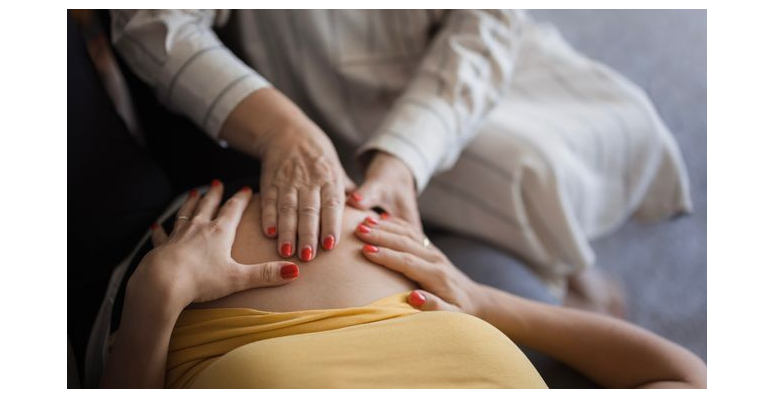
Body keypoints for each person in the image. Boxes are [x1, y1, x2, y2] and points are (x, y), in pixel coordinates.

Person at [111, 10, 692, 298]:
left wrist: (405, 156)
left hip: (471, 55)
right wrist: (285, 131)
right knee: (531, 172)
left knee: (624, 120)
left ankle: (563, 258)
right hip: (343, 91)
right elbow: (152, 22)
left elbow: (487, 21)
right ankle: (561, 259)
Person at [100, 182, 706, 388]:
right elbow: (685, 375)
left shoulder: (160, 283)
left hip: (154, 262)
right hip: (342, 202)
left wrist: (159, 291)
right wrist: (484, 301)